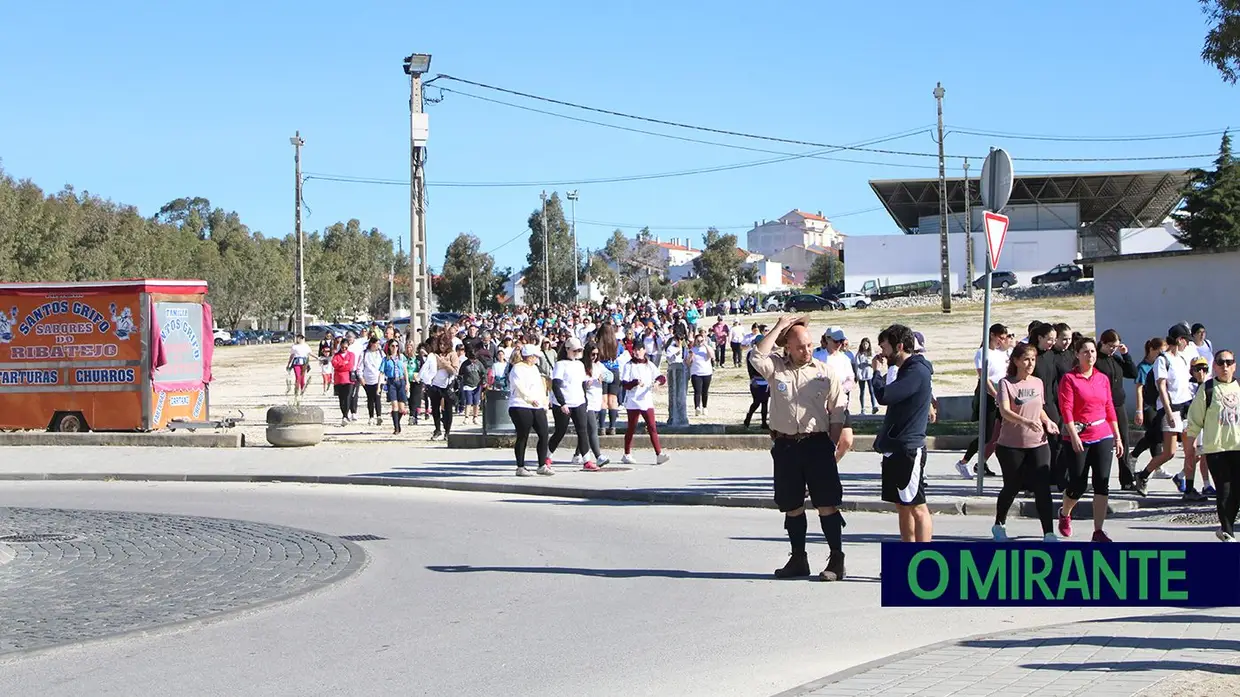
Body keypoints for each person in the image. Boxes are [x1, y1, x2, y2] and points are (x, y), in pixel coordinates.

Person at [750, 315, 848, 581]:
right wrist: (781, 327)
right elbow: (756, 357)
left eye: (808, 345)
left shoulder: (824, 372)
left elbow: (837, 412)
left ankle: (836, 559)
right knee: (791, 505)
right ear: (787, 348)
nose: (806, 351)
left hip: (817, 444)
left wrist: (831, 444)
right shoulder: (776, 368)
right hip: (785, 445)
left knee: (826, 504)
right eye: (799, 347)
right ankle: (798, 558)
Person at [871, 323, 935, 543]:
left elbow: (885, 396)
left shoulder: (916, 370)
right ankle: (906, 556)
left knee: (917, 506)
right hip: (894, 447)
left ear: (899, 346)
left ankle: (924, 561)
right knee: (902, 505)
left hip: (909, 448)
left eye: (885, 347)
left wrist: (876, 373)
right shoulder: (904, 370)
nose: (882, 352)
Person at [1057, 337, 1123, 542]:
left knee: (1102, 483)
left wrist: (1117, 436)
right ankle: (1065, 513)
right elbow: (1066, 409)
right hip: (1078, 435)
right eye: (1085, 351)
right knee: (1078, 484)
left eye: (1093, 351)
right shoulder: (1069, 379)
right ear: (1077, 354)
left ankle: (1098, 530)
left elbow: (1109, 407)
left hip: (1102, 434)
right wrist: (1073, 434)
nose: (1090, 355)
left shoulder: (1102, 378)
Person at [993, 343, 1060, 542]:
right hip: (1011, 445)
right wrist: (1026, 422)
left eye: (1033, 359)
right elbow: (1005, 411)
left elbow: (1039, 407)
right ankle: (999, 524)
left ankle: (1048, 532)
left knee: (1042, 488)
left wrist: (1047, 421)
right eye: (1026, 359)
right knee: (1012, 487)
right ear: (1016, 361)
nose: (1030, 363)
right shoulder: (1006, 383)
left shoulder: (1037, 382)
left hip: (1038, 443)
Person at [1134, 324, 1197, 497]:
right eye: (1186, 341)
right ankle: (1143, 474)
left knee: (1191, 451)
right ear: (1179, 340)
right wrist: (1168, 412)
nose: (1188, 344)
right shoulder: (1163, 360)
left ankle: (1189, 488)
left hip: (1185, 408)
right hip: (1171, 409)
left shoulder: (1183, 359)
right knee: (1169, 452)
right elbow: (1161, 387)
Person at [1185, 350, 1240, 540]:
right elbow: (1194, 420)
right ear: (1215, 366)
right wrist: (1190, 449)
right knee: (1224, 490)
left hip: (1238, 448)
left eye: (1228, 362)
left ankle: (1226, 527)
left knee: (1237, 492)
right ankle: (1227, 532)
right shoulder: (1208, 389)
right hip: (1216, 449)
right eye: (1220, 362)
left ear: (1234, 366)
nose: (1225, 366)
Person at [956, 323, 1009, 479]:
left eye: (1004, 338)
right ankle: (963, 461)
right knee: (987, 434)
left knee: (1006, 431)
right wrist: (995, 395)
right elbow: (984, 378)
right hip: (989, 394)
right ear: (992, 335)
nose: (1002, 340)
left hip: (1002, 392)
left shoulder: (1000, 353)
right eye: (1000, 337)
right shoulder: (982, 353)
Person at [1095, 329, 1139, 489]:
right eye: (1110, 346)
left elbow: (1133, 373)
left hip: (1118, 404)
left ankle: (1126, 479)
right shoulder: (1097, 360)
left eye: (1116, 346)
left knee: (1124, 441)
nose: (1113, 349)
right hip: (1102, 406)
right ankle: (1099, 479)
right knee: (1102, 443)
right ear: (1103, 343)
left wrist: (1126, 355)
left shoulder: (1116, 359)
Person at [619, 342, 670, 465]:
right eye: (635, 350)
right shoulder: (629, 365)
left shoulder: (649, 365)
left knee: (652, 426)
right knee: (631, 427)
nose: (637, 352)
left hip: (646, 400)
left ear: (644, 351)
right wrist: (635, 382)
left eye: (639, 350)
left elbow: (661, 377)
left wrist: (657, 382)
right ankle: (627, 453)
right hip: (633, 401)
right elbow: (625, 384)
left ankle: (659, 454)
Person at [507, 344, 553, 477]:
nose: (536, 359)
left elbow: (540, 386)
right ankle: (520, 466)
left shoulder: (535, 369)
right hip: (520, 405)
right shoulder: (517, 368)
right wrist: (529, 398)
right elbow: (519, 386)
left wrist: (544, 402)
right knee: (523, 435)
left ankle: (542, 465)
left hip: (537, 406)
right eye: (535, 356)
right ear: (529, 356)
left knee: (544, 434)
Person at [548, 338, 589, 472]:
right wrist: (562, 403)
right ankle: (547, 456)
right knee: (560, 431)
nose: (578, 352)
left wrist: (585, 400)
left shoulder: (580, 365)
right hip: (563, 403)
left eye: (580, 350)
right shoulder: (561, 364)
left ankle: (587, 460)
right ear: (567, 350)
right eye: (575, 350)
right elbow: (556, 385)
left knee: (583, 431)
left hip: (579, 401)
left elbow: (583, 384)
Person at [580, 342, 614, 471]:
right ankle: (598, 456)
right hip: (585, 401)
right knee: (593, 428)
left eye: (596, 354)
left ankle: (578, 453)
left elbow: (611, 377)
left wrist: (603, 376)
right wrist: (584, 383)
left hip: (596, 401)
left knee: (586, 431)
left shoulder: (599, 366)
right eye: (592, 354)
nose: (594, 356)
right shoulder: (582, 367)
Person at [427, 332, 461, 441]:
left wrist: (445, 364)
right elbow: (430, 367)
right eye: (440, 344)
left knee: (447, 409)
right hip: (435, 384)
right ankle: (437, 429)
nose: (442, 346)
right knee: (435, 408)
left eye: (444, 344)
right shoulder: (434, 354)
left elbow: (455, 371)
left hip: (447, 385)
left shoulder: (452, 354)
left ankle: (447, 431)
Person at [381, 339, 409, 434]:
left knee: (401, 408)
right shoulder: (386, 359)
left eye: (396, 346)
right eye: (392, 346)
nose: (395, 348)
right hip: (391, 381)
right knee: (394, 405)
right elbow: (381, 372)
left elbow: (405, 370)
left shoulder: (401, 357)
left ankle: (397, 421)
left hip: (401, 381)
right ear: (389, 347)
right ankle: (396, 427)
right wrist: (379, 386)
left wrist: (407, 383)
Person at [744, 331, 770, 429]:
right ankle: (749, 417)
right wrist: (752, 379)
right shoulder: (751, 353)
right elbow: (749, 368)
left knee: (765, 402)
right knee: (757, 402)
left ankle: (764, 422)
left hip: (766, 381)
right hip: (756, 381)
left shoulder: (767, 353)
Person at [330, 340, 356, 426]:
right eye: (342, 347)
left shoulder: (351, 355)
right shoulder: (336, 355)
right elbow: (334, 364)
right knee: (341, 399)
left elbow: (350, 366)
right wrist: (344, 364)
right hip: (339, 380)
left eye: (346, 347)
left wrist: (341, 365)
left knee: (348, 397)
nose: (344, 349)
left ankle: (345, 416)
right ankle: (344, 415)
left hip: (349, 379)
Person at [360, 337, 385, 425]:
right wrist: (361, 377)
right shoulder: (364, 353)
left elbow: (384, 364)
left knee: (377, 397)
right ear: (371, 343)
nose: (378, 345)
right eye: (376, 343)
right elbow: (360, 367)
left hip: (379, 379)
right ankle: (371, 417)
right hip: (368, 379)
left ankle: (379, 416)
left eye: (379, 344)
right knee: (370, 398)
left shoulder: (381, 353)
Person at [688, 333, 714, 416]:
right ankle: (697, 408)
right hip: (696, 373)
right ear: (695, 341)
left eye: (701, 340)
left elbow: (711, 356)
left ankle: (704, 407)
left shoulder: (707, 348)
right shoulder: (692, 350)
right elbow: (688, 363)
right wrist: (690, 357)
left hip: (707, 373)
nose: (699, 342)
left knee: (705, 391)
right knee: (697, 391)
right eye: (698, 340)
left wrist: (705, 345)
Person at [459, 346, 485, 425]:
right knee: (468, 401)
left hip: (477, 385)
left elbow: (483, 373)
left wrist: (484, 381)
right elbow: (460, 374)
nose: (473, 360)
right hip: (467, 385)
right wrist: (462, 380)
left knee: (476, 402)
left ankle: (475, 417)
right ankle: (466, 417)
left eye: (474, 359)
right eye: (472, 359)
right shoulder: (465, 364)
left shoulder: (479, 364)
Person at [854, 338, 876, 415]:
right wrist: (857, 374)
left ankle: (874, 406)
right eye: (864, 344)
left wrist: (870, 362)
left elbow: (875, 363)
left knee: (872, 391)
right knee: (862, 391)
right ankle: (862, 409)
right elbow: (856, 364)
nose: (865, 345)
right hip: (862, 375)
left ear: (869, 344)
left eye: (866, 344)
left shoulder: (871, 353)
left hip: (870, 374)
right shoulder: (859, 354)